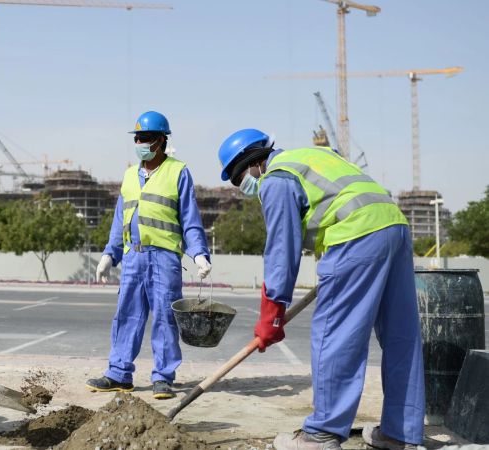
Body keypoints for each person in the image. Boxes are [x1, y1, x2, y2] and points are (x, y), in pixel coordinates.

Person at [216, 129, 425, 450]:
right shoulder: (312, 157)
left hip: (354, 232)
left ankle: (321, 434)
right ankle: (402, 433)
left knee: (335, 333)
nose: (242, 187)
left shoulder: (276, 178)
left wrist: (272, 314)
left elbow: (281, 250)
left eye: (237, 178)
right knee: (402, 337)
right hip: (393, 226)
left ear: (251, 162)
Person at [90, 111, 211, 400]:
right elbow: (121, 220)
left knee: (165, 318)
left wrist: (199, 254)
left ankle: (163, 377)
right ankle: (119, 374)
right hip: (134, 257)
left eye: (145, 138)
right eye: (137, 138)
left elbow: (189, 219)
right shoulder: (130, 176)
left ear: (161, 140)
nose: (140, 143)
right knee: (126, 315)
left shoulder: (178, 171)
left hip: (165, 257)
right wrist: (110, 255)